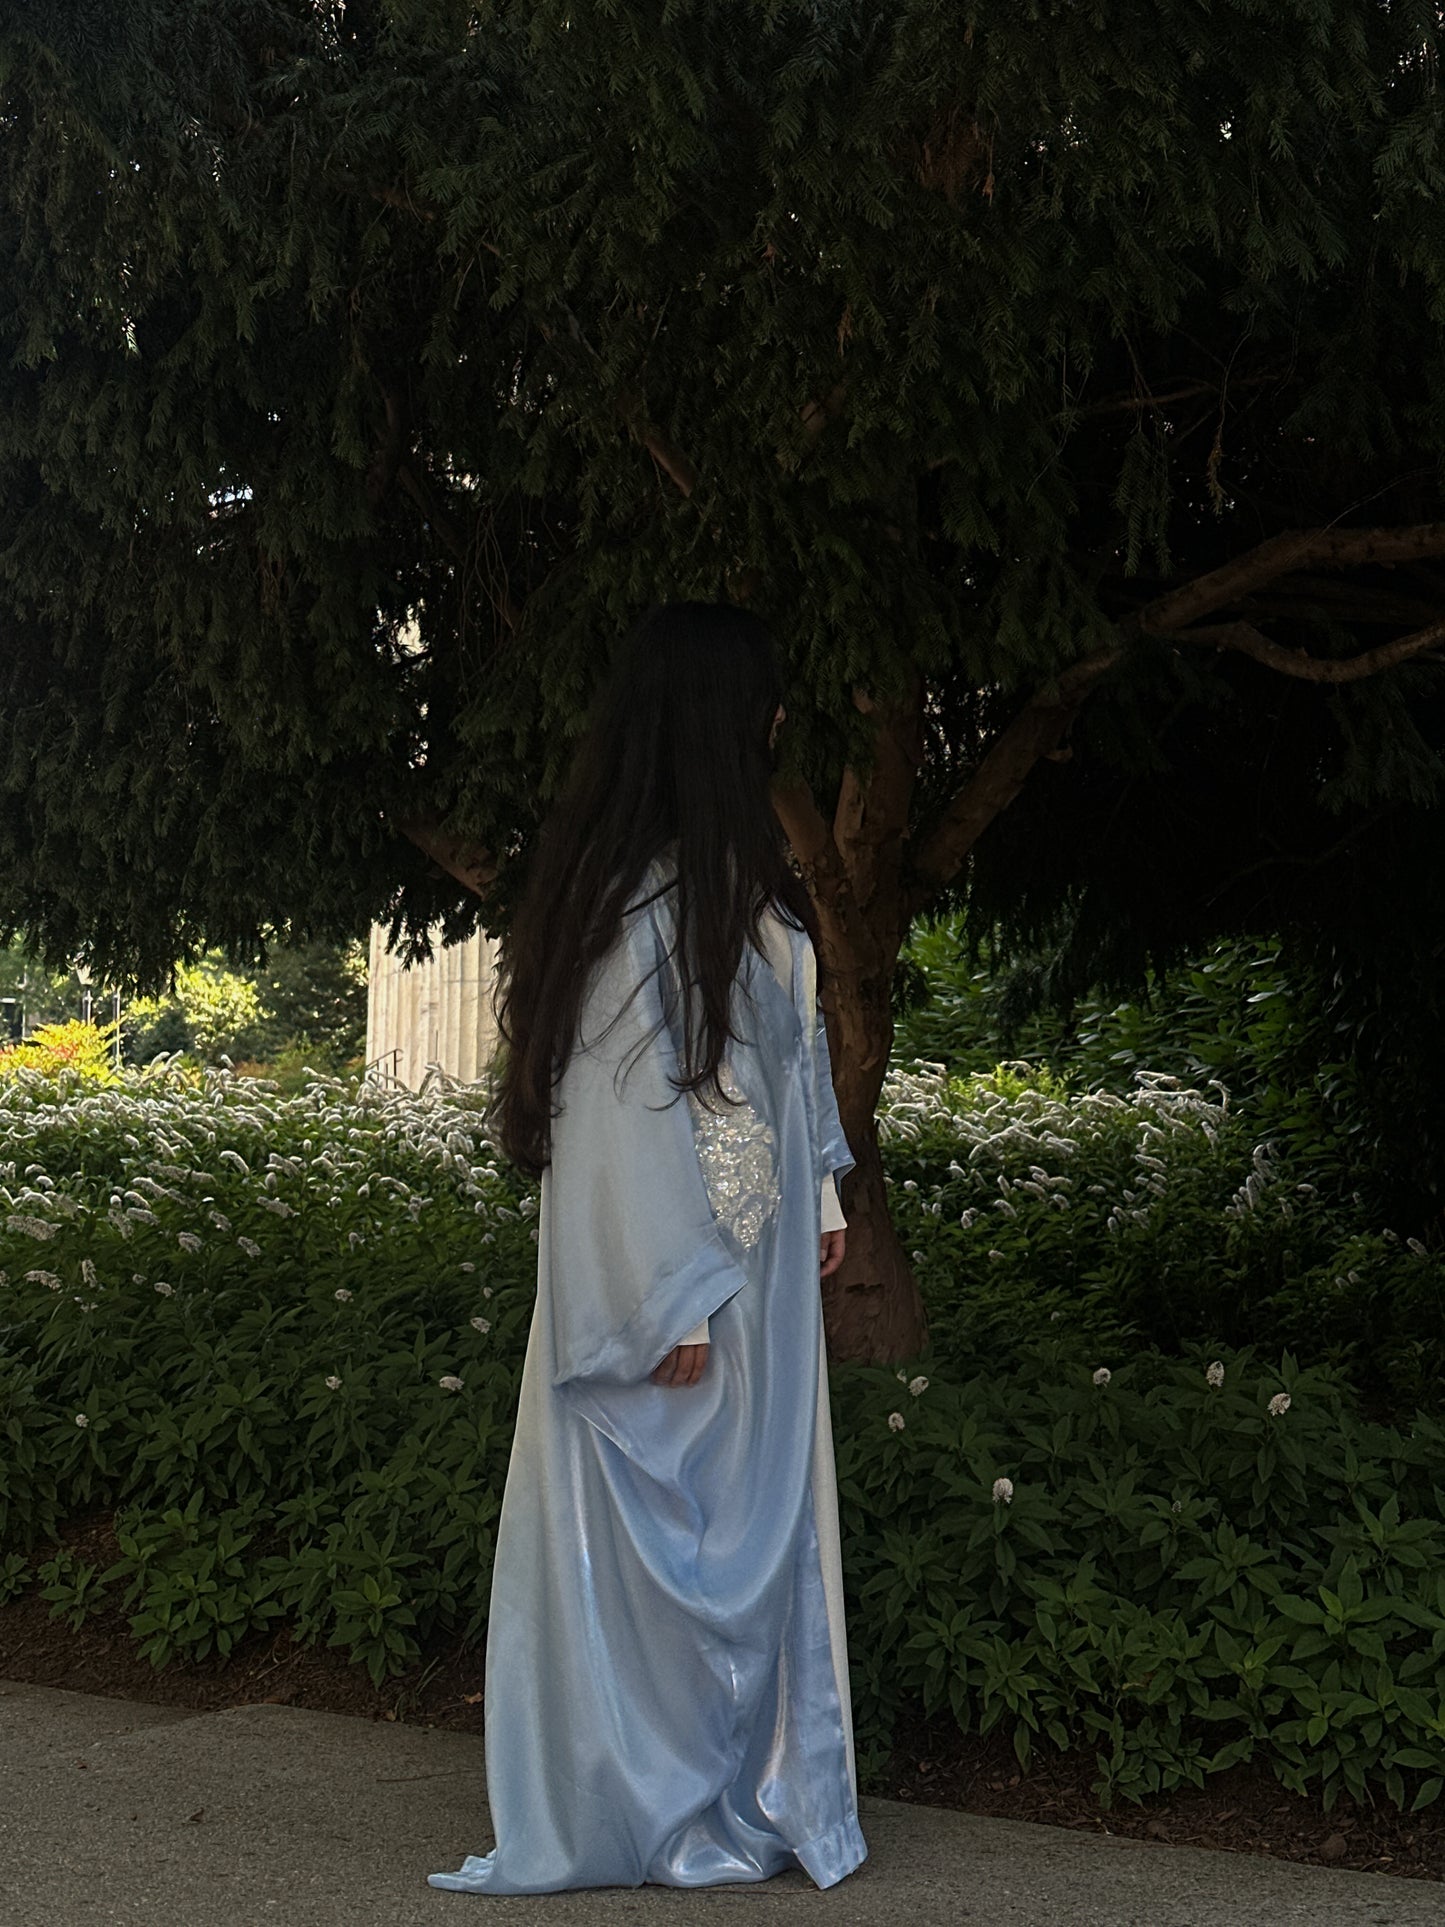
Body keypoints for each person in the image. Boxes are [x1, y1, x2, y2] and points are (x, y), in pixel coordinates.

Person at [427, 600, 867, 1895]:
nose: (780, 726)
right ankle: (662, 1809)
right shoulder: (638, 912)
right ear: (723, 727)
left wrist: (825, 1206)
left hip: (761, 1283)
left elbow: (781, 1074)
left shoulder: (745, 895)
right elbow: (617, 1122)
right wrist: (662, 1301)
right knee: (662, 1552)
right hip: (685, 1289)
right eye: (764, 710)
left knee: (748, 1532)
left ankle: (744, 1794)